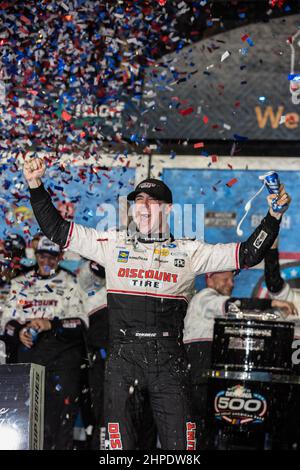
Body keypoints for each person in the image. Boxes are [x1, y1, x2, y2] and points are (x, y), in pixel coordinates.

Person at [23, 158, 290, 450]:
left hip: (169, 360)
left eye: (153, 201)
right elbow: (57, 230)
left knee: (183, 451)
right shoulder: (112, 243)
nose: (144, 207)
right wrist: (36, 185)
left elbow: (249, 254)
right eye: (139, 200)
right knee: (117, 451)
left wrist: (273, 215)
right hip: (123, 358)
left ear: (168, 209)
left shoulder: (191, 251)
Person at [183, 270, 296, 449]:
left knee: (211, 432)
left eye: (233, 279)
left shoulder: (220, 311)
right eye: (226, 279)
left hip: (208, 376)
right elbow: (230, 305)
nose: (232, 283)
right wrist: (271, 302)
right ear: (209, 279)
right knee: (201, 431)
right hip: (199, 375)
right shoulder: (203, 297)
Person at [1, 235, 87, 450]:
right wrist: (20, 331)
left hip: (62, 362)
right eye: (42, 256)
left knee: (62, 424)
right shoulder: (20, 282)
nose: (46, 261)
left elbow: (81, 323)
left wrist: (51, 324)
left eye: (52, 257)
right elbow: (5, 323)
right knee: (27, 422)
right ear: (36, 255)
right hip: (28, 363)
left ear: (60, 257)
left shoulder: (71, 283)